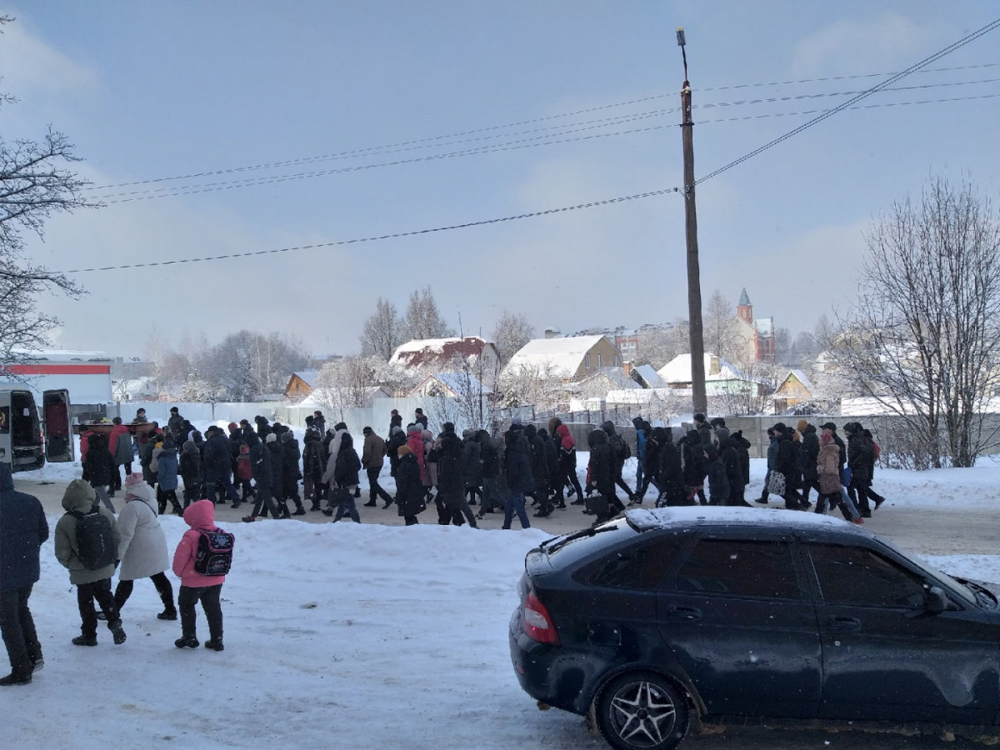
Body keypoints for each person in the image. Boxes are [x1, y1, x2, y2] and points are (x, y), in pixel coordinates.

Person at [54, 480, 127, 647]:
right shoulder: (103, 512)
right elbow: (117, 537)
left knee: (86, 603)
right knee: (105, 595)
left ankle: (89, 635)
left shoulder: (65, 521)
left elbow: (62, 552)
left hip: (81, 570)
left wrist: (73, 565)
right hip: (104, 565)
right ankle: (114, 622)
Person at [0, 462, 48, 685]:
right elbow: (43, 533)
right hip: (27, 568)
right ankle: (34, 655)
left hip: (4, 574)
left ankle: (21, 669)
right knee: (21, 610)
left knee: (8, 620)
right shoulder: (30, 501)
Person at [114, 474, 176, 620]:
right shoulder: (149, 498)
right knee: (158, 576)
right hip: (155, 542)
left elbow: (125, 534)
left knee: (126, 578)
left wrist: (117, 556)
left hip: (140, 546)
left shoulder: (132, 506)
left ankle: (113, 612)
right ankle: (170, 609)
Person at [172, 500, 227, 651]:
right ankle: (217, 639)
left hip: (192, 581)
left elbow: (180, 558)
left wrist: (180, 574)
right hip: (216, 579)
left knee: (187, 606)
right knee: (213, 609)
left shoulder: (191, 535)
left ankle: (189, 636)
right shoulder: (220, 533)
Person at [327, 433, 362, 523]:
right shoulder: (352, 451)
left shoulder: (342, 453)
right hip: (353, 480)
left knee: (350, 504)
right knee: (343, 502)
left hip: (345, 481)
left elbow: (342, 468)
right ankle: (335, 521)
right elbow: (358, 465)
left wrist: (337, 478)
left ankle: (357, 523)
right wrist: (352, 472)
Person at [82, 433, 117, 513]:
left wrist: (84, 479)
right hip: (106, 475)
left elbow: (87, 468)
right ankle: (91, 510)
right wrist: (112, 477)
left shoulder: (91, 453)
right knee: (97, 495)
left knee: (104, 497)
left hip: (96, 477)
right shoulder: (105, 451)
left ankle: (112, 512)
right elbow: (112, 464)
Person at [361, 426, 393, 509]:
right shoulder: (379, 438)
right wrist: (380, 456)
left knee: (373, 483)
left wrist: (364, 460)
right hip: (379, 463)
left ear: (366, 433)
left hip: (372, 463)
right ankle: (372, 500)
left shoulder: (368, 440)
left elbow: (367, 452)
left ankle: (387, 498)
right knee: (373, 481)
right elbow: (385, 449)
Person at [393, 445, 426, 525]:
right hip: (414, 491)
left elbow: (402, 482)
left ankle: (412, 531)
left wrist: (400, 495)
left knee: (408, 515)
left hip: (407, 493)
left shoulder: (404, 465)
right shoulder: (413, 462)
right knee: (410, 514)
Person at [108, 417, 133, 492]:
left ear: (114, 423)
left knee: (114, 469)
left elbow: (113, 445)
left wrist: (110, 455)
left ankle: (117, 484)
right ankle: (131, 484)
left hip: (118, 454)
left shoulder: (114, 432)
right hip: (128, 452)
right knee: (128, 470)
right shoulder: (126, 430)